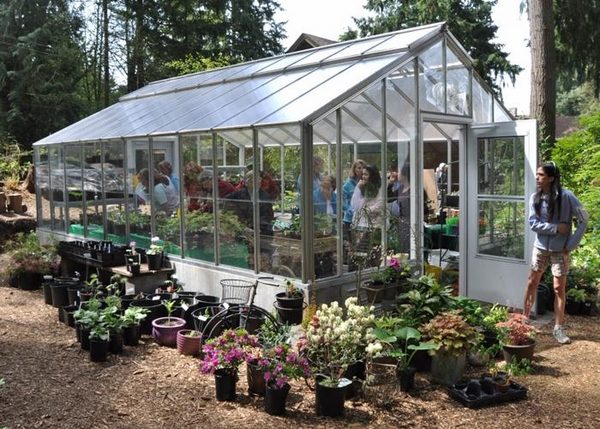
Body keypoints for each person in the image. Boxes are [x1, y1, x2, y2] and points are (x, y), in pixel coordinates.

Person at [522, 162, 588, 344]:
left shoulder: (567, 197)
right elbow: (532, 224)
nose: (537, 177)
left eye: (541, 175)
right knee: (532, 282)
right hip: (540, 248)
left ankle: (558, 328)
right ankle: (525, 320)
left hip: (561, 250)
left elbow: (584, 219)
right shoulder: (535, 198)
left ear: (551, 178)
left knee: (559, 288)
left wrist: (571, 244)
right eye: (537, 174)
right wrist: (555, 228)